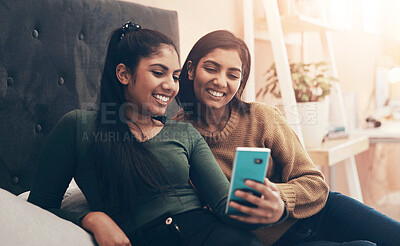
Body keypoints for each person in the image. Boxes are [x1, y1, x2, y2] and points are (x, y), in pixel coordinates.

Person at [28, 22, 265, 246]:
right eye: (158, 72)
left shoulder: (184, 133)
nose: (171, 86)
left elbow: (225, 205)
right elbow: (38, 209)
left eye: (175, 76)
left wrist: (273, 207)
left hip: (214, 235)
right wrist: (90, 218)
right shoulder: (78, 126)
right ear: (124, 74)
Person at [175, 30, 400, 246]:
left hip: (324, 213)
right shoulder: (176, 137)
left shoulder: (261, 117)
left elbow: (315, 184)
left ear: (240, 81)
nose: (221, 81)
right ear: (192, 70)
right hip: (277, 241)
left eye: (232, 75)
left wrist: (280, 199)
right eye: (211, 69)